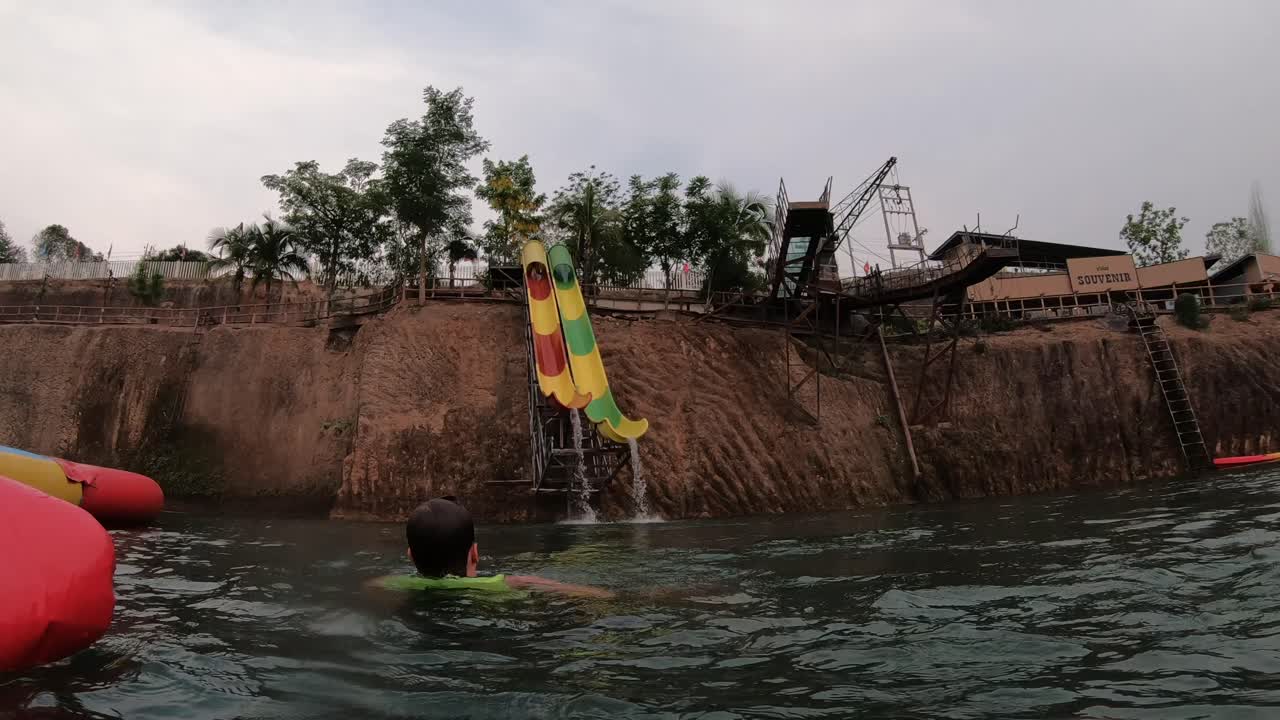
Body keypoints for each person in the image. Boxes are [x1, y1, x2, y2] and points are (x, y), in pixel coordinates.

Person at [371, 497, 613, 599]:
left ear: (411, 556)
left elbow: (372, 585)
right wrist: (608, 595)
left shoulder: (392, 583)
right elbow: (588, 593)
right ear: (474, 554)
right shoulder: (502, 585)